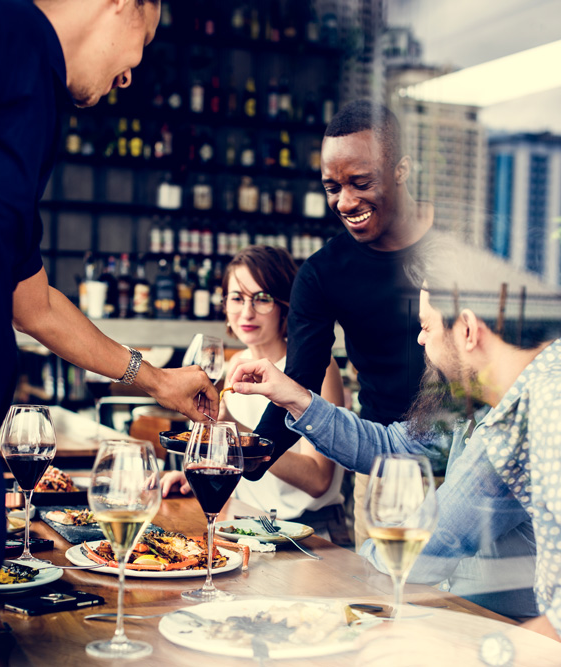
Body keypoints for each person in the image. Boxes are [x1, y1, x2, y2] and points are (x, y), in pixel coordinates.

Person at [0, 1, 217, 661]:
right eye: (146, 41)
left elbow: (36, 303)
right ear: (122, 6)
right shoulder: (2, 30)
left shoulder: (33, 103)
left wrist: (157, 380)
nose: (132, 73)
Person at [226, 242, 561, 627]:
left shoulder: (530, 411)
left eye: (426, 326)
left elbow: (432, 543)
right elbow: (392, 445)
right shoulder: (486, 398)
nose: (420, 341)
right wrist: (296, 398)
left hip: (500, 627)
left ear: (467, 329)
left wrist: (320, 568)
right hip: (469, 614)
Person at [250, 99, 435, 549]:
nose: (345, 202)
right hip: (383, 463)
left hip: (472, 459)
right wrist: (238, 461)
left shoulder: (461, 243)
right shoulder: (322, 274)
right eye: (332, 187)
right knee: (386, 608)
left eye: (360, 183)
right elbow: (298, 379)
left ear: (401, 170)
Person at [162, 246, 350, 542]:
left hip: (312, 533)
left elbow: (319, 480)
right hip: (246, 529)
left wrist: (236, 431)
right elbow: (241, 472)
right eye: (236, 298)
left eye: (262, 299)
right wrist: (193, 479)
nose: (247, 312)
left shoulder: (319, 369)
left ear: (285, 306)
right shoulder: (235, 364)